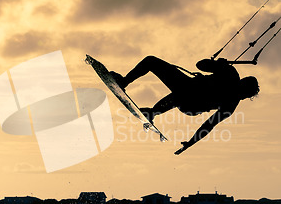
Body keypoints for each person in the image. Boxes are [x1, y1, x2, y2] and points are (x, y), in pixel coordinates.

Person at [110, 56, 259, 154]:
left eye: (244, 96)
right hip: (186, 88)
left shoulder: (231, 103)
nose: (241, 96)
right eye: (243, 92)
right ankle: (127, 85)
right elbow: (200, 64)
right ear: (242, 83)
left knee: (184, 93)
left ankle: (153, 112)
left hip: (191, 104)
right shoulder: (230, 74)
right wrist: (217, 64)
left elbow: (208, 125)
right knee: (151, 62)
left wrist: (191, 142)